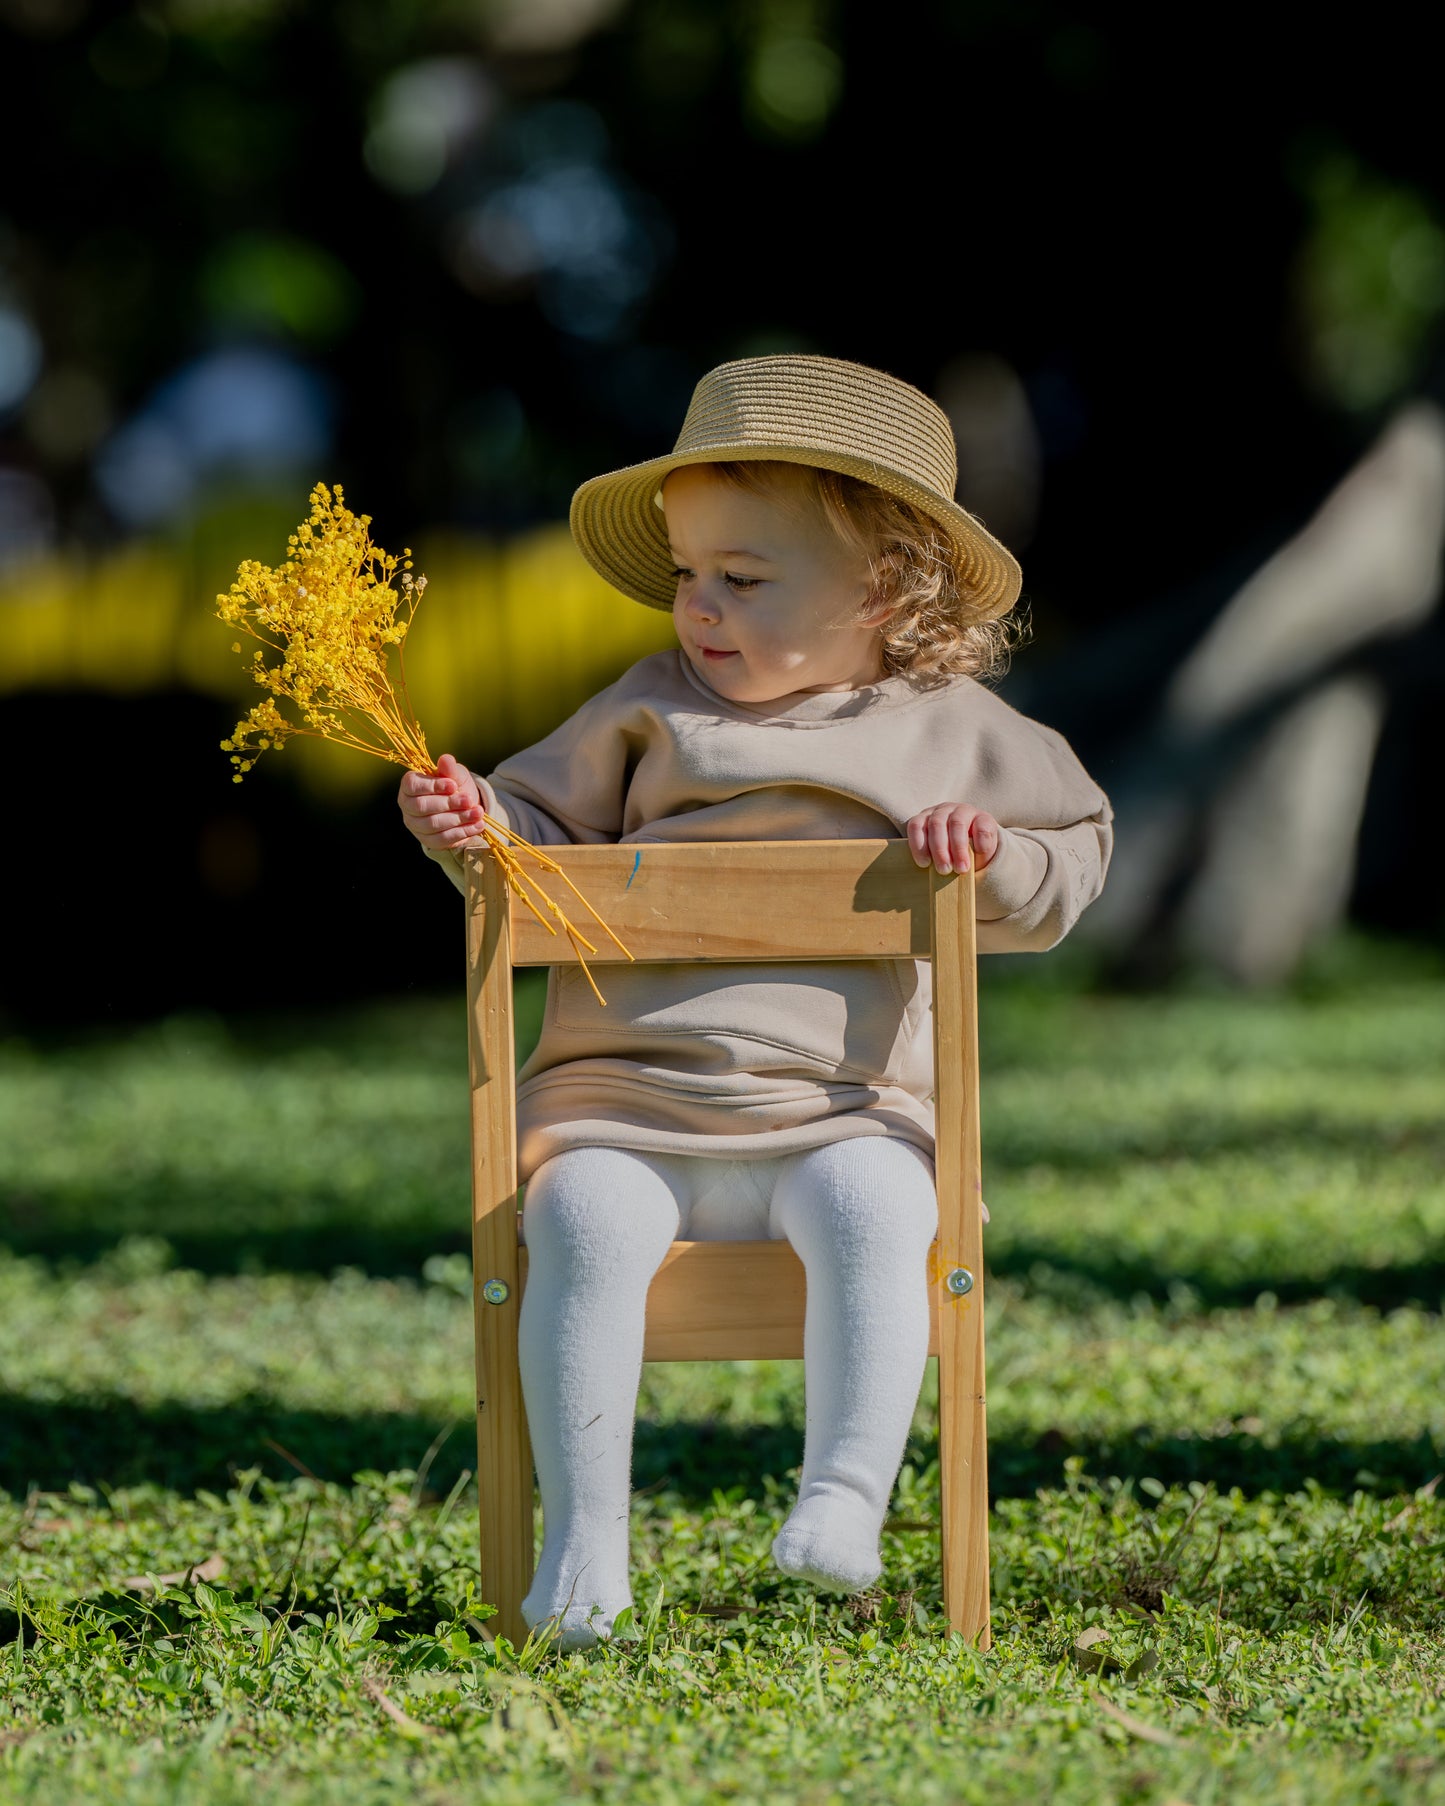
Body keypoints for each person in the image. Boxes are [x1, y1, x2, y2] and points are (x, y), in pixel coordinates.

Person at [398, 355, 1112, 1648]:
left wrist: (985, 851)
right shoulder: (646, 714)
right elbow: (527, 841)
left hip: (841, 1110)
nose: (698, 609)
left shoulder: (945, 727)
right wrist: (474, 820)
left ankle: (843, 1491)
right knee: (581, 1216)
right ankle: (583, 1544)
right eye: (685, 575)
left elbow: (1072, 853)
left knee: (879, 1206)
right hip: (627, 1106)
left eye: (741, 578)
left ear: (881, 589)